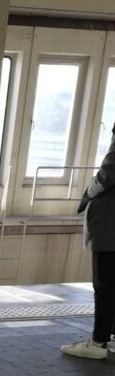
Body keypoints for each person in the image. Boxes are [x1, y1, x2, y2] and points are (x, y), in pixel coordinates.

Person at [62, 122, 115, 360]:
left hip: (110, 226)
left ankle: (98, 342)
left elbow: (109, 171)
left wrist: (87, 194)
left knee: (104, 285)